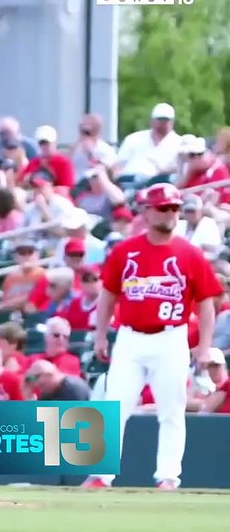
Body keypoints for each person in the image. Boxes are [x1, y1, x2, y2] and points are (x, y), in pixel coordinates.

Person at [82, 183, 222, 491]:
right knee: (115, 406)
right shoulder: (125, 251)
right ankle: (101, 475)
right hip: (130, 337)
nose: (171, 214)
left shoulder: (189, 253)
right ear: (147, 211)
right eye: (164, 208)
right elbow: (108, 296)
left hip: (171, 337)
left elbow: (207, 303)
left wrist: (204, 347)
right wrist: (101, 336)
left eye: (174, 208)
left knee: (171, 409)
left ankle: (168, 477)